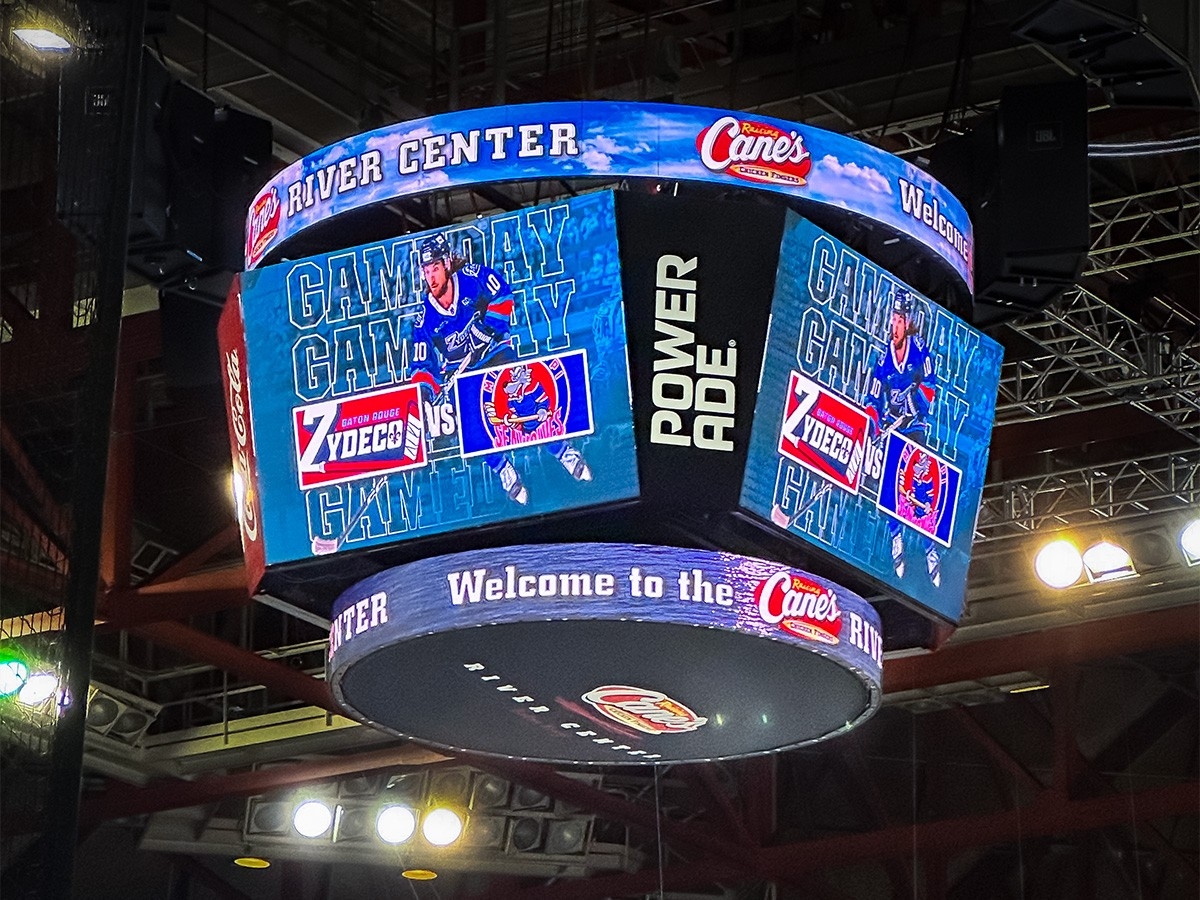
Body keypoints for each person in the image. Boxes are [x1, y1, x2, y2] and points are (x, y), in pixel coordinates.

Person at [409, 233, 591, 505]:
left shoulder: (472, 277)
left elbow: (503, 294)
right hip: (461, 370)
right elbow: (422, 364)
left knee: (523, 400)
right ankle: (503, 469)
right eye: (426, 270)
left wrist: (489, 327)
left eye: (435, 267)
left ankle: (562, 451)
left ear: (447, 264)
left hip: (495, 352)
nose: (431, 277)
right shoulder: (424, 317)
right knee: (471, 423)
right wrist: (426, 392)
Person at [864, 287, 941, 587]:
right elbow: (873, 396)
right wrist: (874, 423)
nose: (894, 325)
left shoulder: (920, 350)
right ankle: (897, 540)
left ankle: (929, 547)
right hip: (892, 428)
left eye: (899, 320)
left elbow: (931, 387)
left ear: (907, 323)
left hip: (915, 428)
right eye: (892, 319)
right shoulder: (881, 357)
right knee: (892, 489)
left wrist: (913, 405)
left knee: (920, 487)